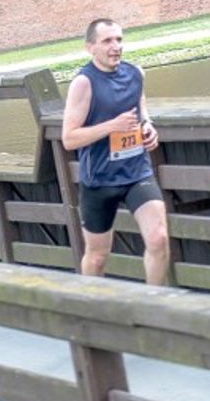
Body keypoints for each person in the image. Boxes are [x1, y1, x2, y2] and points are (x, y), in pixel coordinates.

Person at [61, 18, 169, 285]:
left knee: (158, 238)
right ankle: (92, 312)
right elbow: (69, 139)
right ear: (91, 48)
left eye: (119, 39)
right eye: (107, 41)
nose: (115, 46)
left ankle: (151, 308)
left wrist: (148, 127)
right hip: (99, 181)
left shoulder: (135, 74)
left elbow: (140, 109)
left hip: (136, 172)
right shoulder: (84, 83)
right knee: (97, 257)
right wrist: (112, 126)